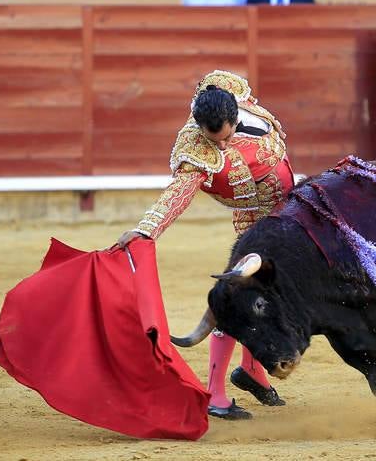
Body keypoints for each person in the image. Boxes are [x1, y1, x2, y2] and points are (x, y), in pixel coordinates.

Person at [116, 70, 294, 421]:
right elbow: (177, 195)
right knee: (239, 301)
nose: (222, 146)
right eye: (215, 140)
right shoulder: (195, 150)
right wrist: (146, 229)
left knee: (269, 296)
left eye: (226, 136)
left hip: (286, 215)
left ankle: (252, 372)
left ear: (234, 116)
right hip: (257, 226)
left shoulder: (230, 92)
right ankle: (215, 394)